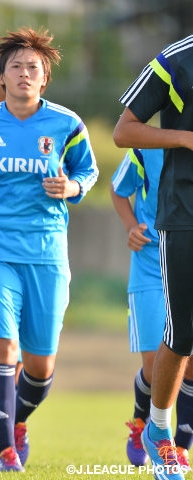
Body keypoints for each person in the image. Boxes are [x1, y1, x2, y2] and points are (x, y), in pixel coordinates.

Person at [0, 27, 98, 472]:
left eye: (33, 67)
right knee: (0, 350)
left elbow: (88, 173)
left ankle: (15, 423)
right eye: (16, 66)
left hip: (47, 253)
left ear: (45, 77)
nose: (24, 74)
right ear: (3, 74)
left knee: (39, 365)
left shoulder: (67, 125)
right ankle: (5, 450)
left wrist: (71, 185)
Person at [113, 33, 193, 480]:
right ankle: (158, 431)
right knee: (183, 333)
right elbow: (123, 131)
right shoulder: (175, 61)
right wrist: (183, 137)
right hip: (185, 215)